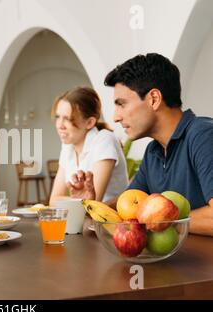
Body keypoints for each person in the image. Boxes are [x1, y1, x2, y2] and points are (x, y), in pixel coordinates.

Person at [69, 53, 213, 236]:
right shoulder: (153, 151)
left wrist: (161, 222)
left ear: (154, 98)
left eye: (122, 104)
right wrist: (90, 205)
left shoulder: (203, 135)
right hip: (169, 262)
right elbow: (129, 206)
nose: (115, 116)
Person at [49, 87, 128, 205]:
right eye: (58, 117)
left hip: (110, 221)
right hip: (85, 221)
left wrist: (73, 201)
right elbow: (53, 200)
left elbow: (93, 204)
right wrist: (78, 201)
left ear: (90, 122)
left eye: (68, 119)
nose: (60, 125)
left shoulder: (104, 140)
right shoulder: (68, 146)